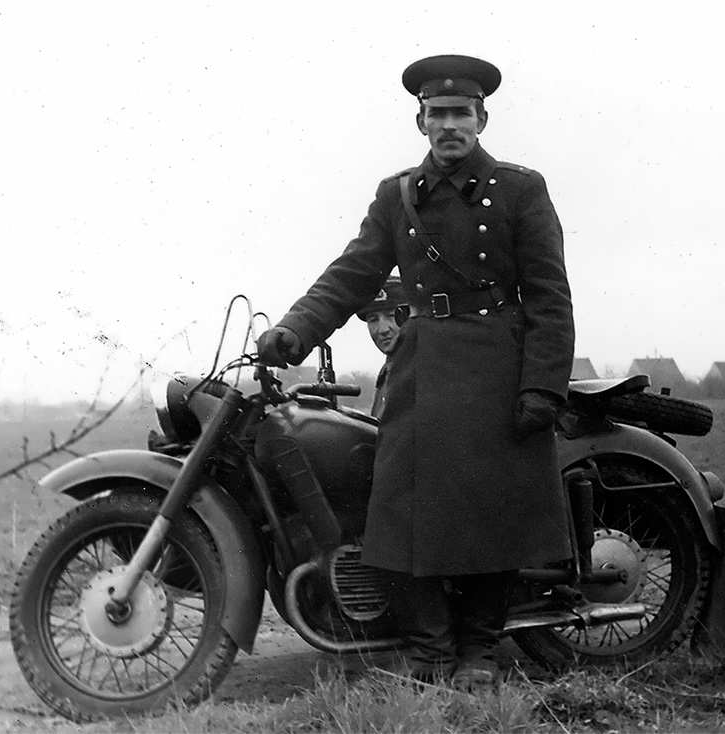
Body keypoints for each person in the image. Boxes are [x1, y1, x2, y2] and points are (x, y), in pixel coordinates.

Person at [256, 54, 575, 687]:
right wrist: (296, 329)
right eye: (438, 114)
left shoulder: (520, 189)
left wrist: (542, 385)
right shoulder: (397, 195)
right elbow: (353, 272)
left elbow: (549, 295)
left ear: (482, 119)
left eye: (461, 113)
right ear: (420, 121)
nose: (449, 125)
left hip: (499, 365)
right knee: (400, 511)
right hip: (422, 367)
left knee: (491, 512)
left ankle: (479, 650)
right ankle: (430, 651)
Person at [355, 275, 405, 420]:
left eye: (391, 315)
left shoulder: (426, 368)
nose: (382, 329)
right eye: (373, 320)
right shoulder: (387, 371)